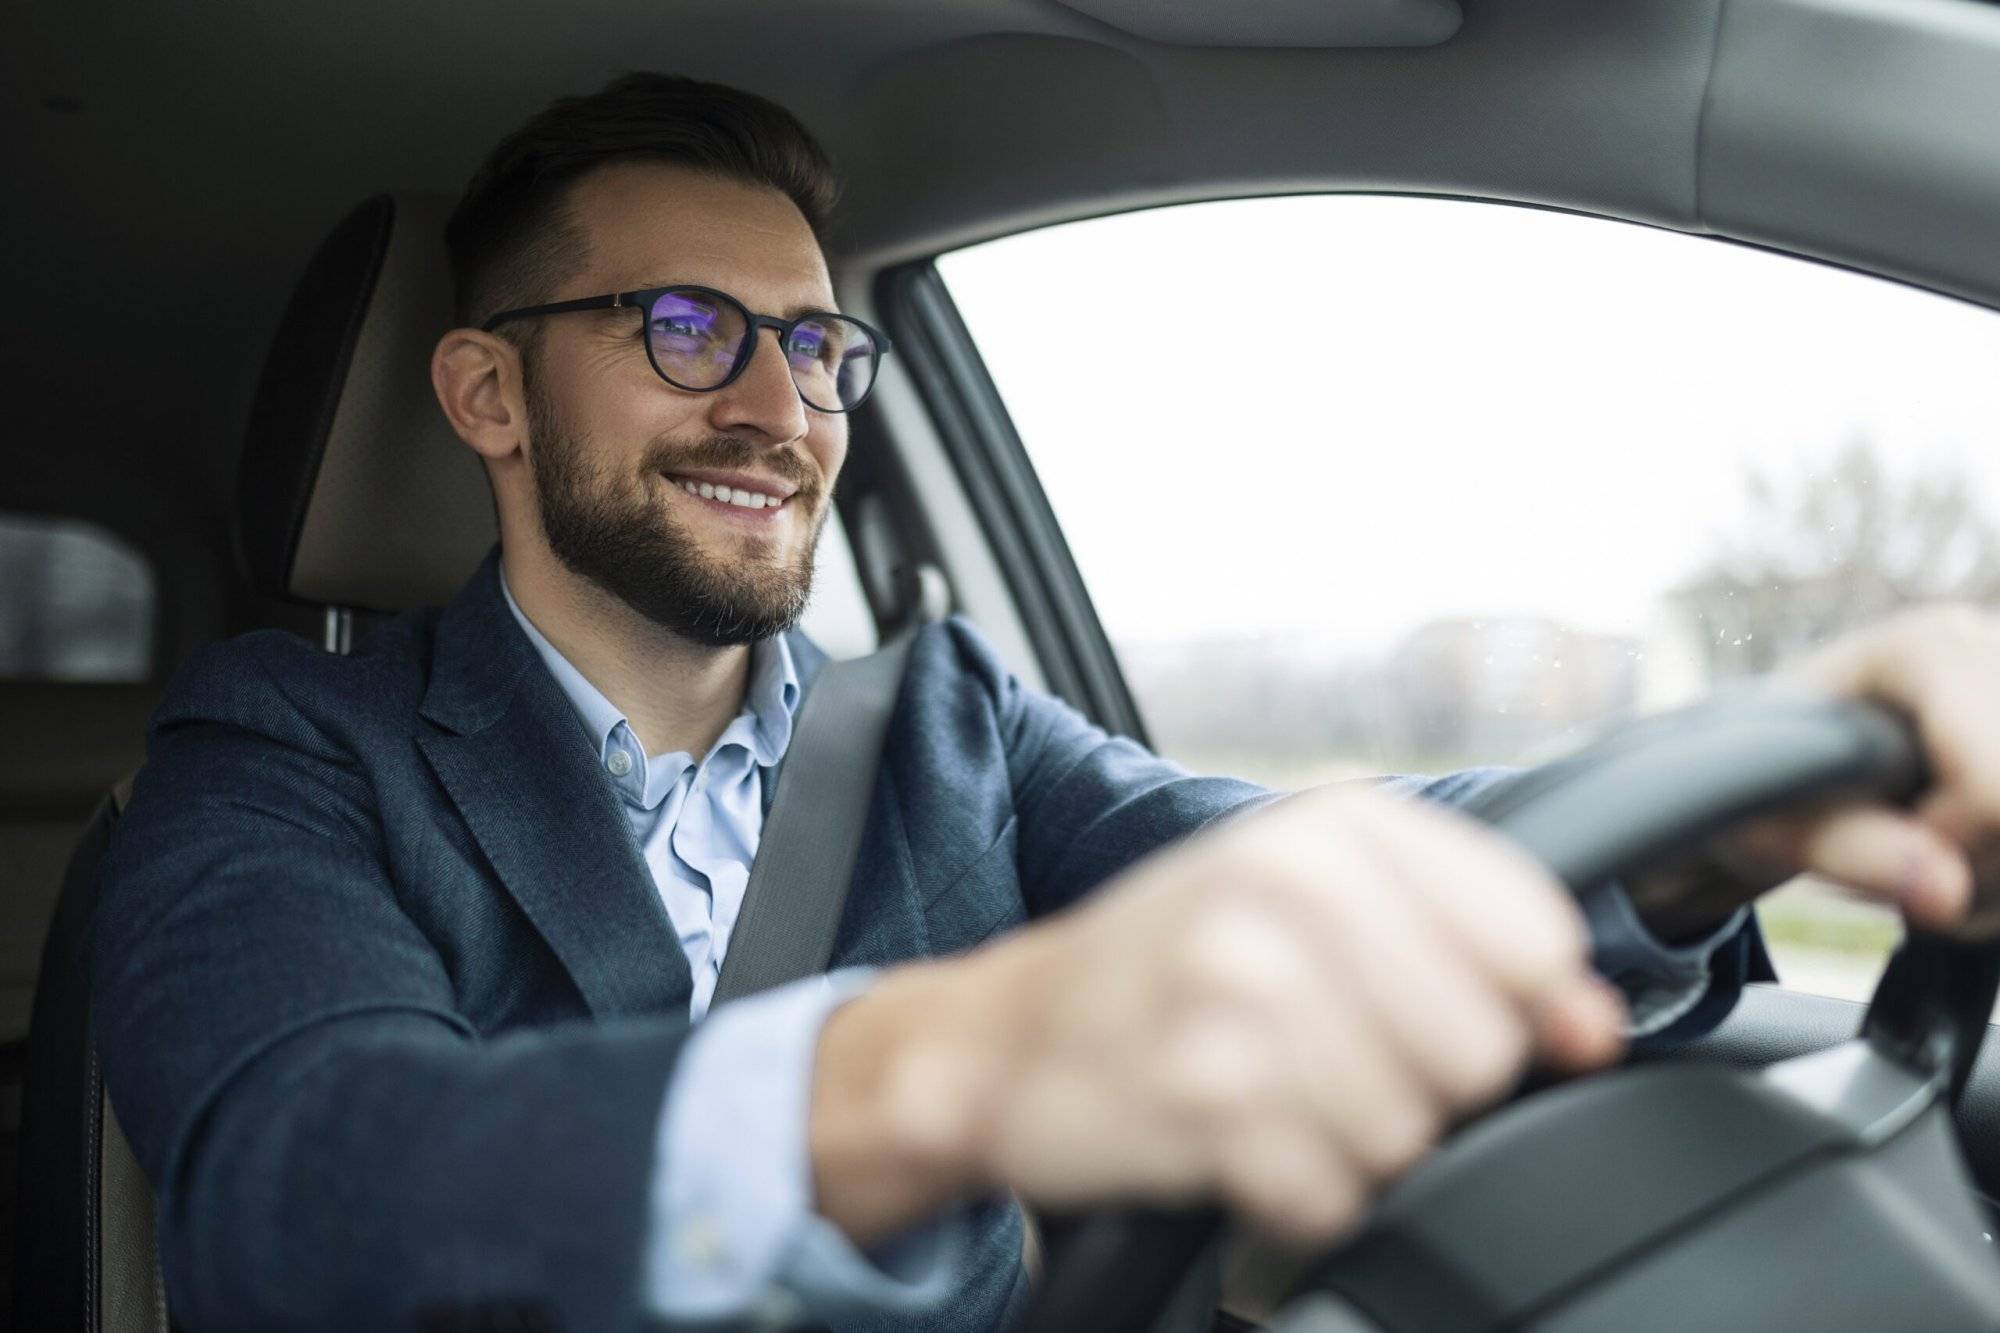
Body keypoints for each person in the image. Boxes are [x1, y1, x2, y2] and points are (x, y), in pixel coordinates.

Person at [87, 71, 2000, 1333]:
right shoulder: (287, 753)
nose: (782, 409)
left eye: (819, 343)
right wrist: (934, 1065)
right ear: (491, 399)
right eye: (687, 331)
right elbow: (300, 1181)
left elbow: (1301, 865)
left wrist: (1708, 815)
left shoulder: (949, 731)